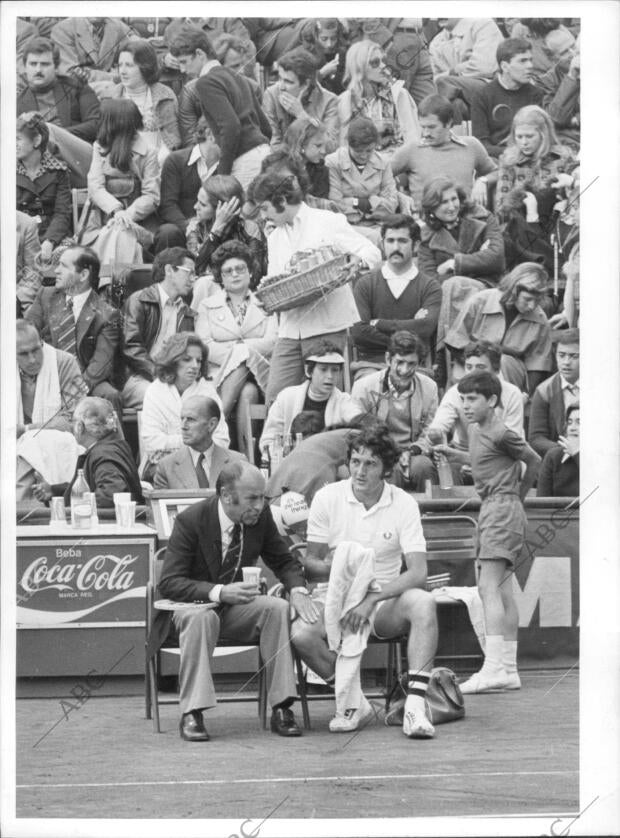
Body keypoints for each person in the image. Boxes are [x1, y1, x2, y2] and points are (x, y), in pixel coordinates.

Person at [291, 423, 438, 738]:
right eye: (355, 461)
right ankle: (355, 701)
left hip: (383, 604)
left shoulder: (404, 503)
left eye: (370, 464)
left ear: (386, 468)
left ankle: (414, 709)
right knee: (301, 634)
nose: (360, 471)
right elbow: (310, 564)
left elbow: (418, 572)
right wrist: (344, 570)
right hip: (336, 602)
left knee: (424, 602)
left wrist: (371, 598)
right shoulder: (327, 497)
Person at [149, 461, 312, 741]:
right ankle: (193, 712)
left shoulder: (260, 520)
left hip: (235, 610)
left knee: (278, 608)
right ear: (226, 496)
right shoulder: (192, 520)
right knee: (202, 617)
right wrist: (220, 592)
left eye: (263, 498)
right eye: (252, 498)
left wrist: (297, 590)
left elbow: (284, 562)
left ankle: (282, 707)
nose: (260, 506)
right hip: (192, 609)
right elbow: (170, 583)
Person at [433, 371, 540, 693]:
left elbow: (533, 460)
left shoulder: (502, 431)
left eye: (472, 399)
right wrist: (456, 455)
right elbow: (486, 459)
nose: (464, 405)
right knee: (502, 591)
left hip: (501, 510)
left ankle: (494, 668)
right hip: (493, 509)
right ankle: (508, 669)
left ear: (492, 400)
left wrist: (514, 498)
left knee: (488, 588)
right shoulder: (479, 430)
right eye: (462, 399)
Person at [248, 172, 381, 403]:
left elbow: (372, 252)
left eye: (265, 207)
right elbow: (277, 282)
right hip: (290, 330)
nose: (262, 215)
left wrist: (356, 263)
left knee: (321, 399)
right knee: (276, 399)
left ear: (281, 201)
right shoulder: (274, 237)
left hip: (326, 325)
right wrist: (265, 302)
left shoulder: (327, 221)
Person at [24, 245, 122, 417]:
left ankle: (111, 444)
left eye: (63, 266)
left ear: (83, 275)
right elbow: (26, 334)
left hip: (84, 380)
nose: (56, 270)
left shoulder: (107, 314)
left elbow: (99, 366)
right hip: (45, 373)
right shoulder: (46, 296)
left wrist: (71, 393)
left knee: (109, 395)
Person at [170, 27, 271, 187]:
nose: (182, 69)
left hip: (244, 161)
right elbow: (266, 127)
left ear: (200, 54)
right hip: (264, 154)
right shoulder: (238, 77)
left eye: (184, 61)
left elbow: (231, 126)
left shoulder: (205, 82)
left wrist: (222, 175)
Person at [195, 240, 276, 417]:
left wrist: (241, 351)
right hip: (219, 372)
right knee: (248, 393)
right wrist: (239, 354)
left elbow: (272, 343)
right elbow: (205, 346)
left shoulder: (267, 302)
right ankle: (246, 445)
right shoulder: (207, 305)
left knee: (249, 383)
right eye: (228, 271)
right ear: (221, 277)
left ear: (250, 271)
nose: (235, 274)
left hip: (259, 371)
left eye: (240, 269)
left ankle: (217, 423)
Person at [445, 261, 553, 394]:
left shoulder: (540, 320)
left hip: (510, 369)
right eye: (528, 299)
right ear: (514, 290)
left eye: (537, 301)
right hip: (471, 360)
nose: (532, 306)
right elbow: (454, 341)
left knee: (503, 361)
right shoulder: (480, 301)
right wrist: (479, 363)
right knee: (461, 386)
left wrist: (527, 395)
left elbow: (538, 365)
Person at [351, 214, 441, 372]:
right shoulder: (365, 284)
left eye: (403, 241)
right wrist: (408, 338)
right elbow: (359, 333)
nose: (395, 248)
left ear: (416, 245)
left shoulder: (430, 287)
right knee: (366, 389)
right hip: (372, 366)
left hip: (414, 367)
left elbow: (425, 328)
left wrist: (378, 324)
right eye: (390, 241)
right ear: (382, 243)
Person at [351, 331, 438, 492]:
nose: (404, 370)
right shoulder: (363, 387)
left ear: (419, 363)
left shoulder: (429, 387)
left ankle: (428, 515)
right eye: (400, 362)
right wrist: (390, 453)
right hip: (378, 451)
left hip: (414, 451)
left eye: (411, 364)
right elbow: (359, 432)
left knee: (424, 467)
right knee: (389, 471)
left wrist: (412, 451)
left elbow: (430, 431)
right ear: (388, 359)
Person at [427, 340, 524, 483]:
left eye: (480, 367)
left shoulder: (512, 393)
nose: (472, 373)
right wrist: (436, 434)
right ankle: (454, 505)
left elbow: (511, 444)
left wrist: (480, 463)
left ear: (496, 371)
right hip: (462, 453)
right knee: (449, 469)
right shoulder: (455, 392)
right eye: (468, 367)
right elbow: (438, 426)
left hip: (501, 456)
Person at [86, 99, 160, 282]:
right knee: (116, 232)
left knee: (121, 231)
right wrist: (117, 211)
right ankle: (115, 287)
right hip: (101, 222)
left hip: (136, 223)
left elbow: (151, 196)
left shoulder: (148, 152)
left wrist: (127, 215)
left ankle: (108, 287)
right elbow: (95, 187)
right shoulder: (99, 147)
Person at [17, 36, 100, 187]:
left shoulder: (77, 88)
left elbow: (96, 123)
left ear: (56, 67)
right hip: (40, 167)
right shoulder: (18, 103)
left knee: (44, 129)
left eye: (45, 64)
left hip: (81, 160)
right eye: (33, 64)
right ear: (25, 67)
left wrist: (57, 135)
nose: (38, 70)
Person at [32, 396, 144, 508]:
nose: (72, 426)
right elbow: (91, 488)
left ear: (80, 427)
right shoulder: (110, 447)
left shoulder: (103, 454)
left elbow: (110, 495)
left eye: (73, 421)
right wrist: (54, 491)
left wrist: (79, 506)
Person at [120, 247, 197, 409]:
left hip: (174, 379)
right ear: (169, 270)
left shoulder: (188, 313)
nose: (193, 279)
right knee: (164, 399)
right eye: (189, 272)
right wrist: (160, 375)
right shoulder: (139, 300)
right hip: (139, 377)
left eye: (194, 274)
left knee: (200, 401)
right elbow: (131, 347)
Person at [391, 94, 496, 210]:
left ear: (449, 123)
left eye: (431, 127)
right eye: (423, 127)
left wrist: (483, 180)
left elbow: (499, 173)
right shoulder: (411, 150)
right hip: (426, 222)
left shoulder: (471, 145)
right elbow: (378, 177)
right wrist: (399, 196)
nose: (425, 133)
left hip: (465, 218)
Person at [140, 333, 229, 467]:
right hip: (162, 467)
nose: (194, 365)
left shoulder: (208, 392)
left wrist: (171, 443)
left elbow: (222, 440)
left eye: (198, 361)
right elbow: (152, 442)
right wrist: (197, 441)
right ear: (173, 361)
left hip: (203, 465)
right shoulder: (155, 391)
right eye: (187, 359)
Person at [260, 342, 362, 457]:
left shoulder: (345, 401)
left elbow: (357, 425)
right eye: (323, 369)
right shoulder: (286, 397)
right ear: (309, 371)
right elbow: (268, 440)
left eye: (335, 370)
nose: (330, 376)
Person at [494, 105, 576, 231]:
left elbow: (573, 199)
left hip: (556, 224)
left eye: (529, 136)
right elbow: (501, 207)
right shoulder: (509, 160)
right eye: (519, 137)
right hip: (520, 227)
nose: (524, 142)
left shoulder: (563, 158)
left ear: (543, 134)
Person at [417, 176, 505, 287]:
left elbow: (496, 258)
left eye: (454, 199)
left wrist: (454, 264)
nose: (452, 207)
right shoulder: (426, 236)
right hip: (449, 293)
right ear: (432, 207)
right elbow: (429, 281)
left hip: (488, 286)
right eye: (444, 202)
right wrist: (480, 260)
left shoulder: (482, 217)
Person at [337, 39, 420, 154]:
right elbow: (343, 146)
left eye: (383, 61)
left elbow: (413, 139)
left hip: (397, 163)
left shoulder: (399, 94)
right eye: (375, 63)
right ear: (360, 67)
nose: (383, 66)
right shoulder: (345, 101)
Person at [109, 38, 181, 165]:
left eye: (129, 65)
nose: (123, 71)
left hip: (159, 161)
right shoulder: (113, 95)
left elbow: (173, 139)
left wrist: (155, 162)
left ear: (145, 67)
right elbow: (106, 138)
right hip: (121, 162)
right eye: (120, 65)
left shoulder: (164, 95)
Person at [325, 117, 399, 240]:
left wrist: (368, 202)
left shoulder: (383, 162)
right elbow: (335, 204)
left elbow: (392, 203)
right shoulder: (334, 162)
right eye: (358, 151)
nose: (364, 155)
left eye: (369, 150)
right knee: (377, 238)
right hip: (347, 225)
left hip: (378, 223)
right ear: (349, 145)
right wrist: (360, 203)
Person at [470, 38, 544, 159]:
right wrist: (510, 153)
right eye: (523, 61)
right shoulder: (482, 95)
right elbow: (480, 144)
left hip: (529, 159)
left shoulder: (536, 94)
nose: (530, 66)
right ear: (505, 66)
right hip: (495, 159)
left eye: (530, 60)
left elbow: (540, 138)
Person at [154, 395, 246, 491]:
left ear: (211, 425)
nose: (183, 426)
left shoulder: (237, 462)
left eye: (190, 419)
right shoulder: (166, 467)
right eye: (182, 419)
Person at [156, 119, 220, 252]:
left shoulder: (229, 165)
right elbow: (167, 206)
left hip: (216, 228)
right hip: (180, 226)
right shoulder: (176, 160)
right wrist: (189, 228)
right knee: (167, 232)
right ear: (210, 134)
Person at [16, 114, 72, 266]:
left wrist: (50, 240)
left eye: (18, 139)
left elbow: (62, 213)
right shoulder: (7, 170)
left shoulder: (59, 171)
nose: (12, 144)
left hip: (49, 234)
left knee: (67, 258)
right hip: (19, 233)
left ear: (36, 141)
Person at [16, 319, 88, 437]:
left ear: (42, 342)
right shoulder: (5, 369)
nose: (32, 360)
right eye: (23, 354)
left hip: (59, 446)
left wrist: (27, 429)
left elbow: (77, 418)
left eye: (36, 350)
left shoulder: (66, 363)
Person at [188, 175, 266, 282]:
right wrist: (215, 231)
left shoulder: (250, 229)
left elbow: (255, 273)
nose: (195, 207)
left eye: (202, 204)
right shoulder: (196, 228)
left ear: (222, 209)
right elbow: (195, 269)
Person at [263, 47, 339, 152]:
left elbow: (331, 147)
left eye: (288, 81)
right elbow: (272, 144)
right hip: (282, 163)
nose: (281, 86)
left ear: (306, 84)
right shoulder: (271, 94)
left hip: (317, 164)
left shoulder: (330, 101)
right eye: (280, 78)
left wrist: (302, 116)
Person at [429, 18, 505, 121]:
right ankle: (456, 135)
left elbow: (484, 68)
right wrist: (455, 71)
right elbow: (432, 78)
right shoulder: (437, 41)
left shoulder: (483, 24)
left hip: (490, 85)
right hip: (456, 92)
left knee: (444, 82)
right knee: (456, 105)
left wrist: (453, 72)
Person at [528, 329, 579, 457]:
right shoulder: (544, 390)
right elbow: (536, 438)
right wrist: (566, 450)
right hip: (560, 460)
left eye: (574, 356)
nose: (566, 362)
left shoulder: (601, 388)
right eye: (561, 355)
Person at [50, 17, 134, 91]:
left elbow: (135, 50)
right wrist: (113, 77)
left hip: (112, 89)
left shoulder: (115, 26)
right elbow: (70, 73)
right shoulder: (63, 29)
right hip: (77, 89)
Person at [539, 30, 580, 148]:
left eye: (573, 46)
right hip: (571, 141)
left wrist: (575, 119)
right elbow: (555, 118)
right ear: (553, 59)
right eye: (564, 52)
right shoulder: (547, 81)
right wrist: (572, 76)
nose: (572, 53)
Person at [536, 404, 579, 497]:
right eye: (570, 422)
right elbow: (542, 502)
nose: (572, 428)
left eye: (579, 422)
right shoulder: (553, 456)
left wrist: (577, 455)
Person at [283, 118, 330, 200]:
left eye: (325, 145)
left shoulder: (321, 169)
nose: (323, 151)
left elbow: (321, 203)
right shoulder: (279, 167)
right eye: (318, 145)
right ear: (301, 144)